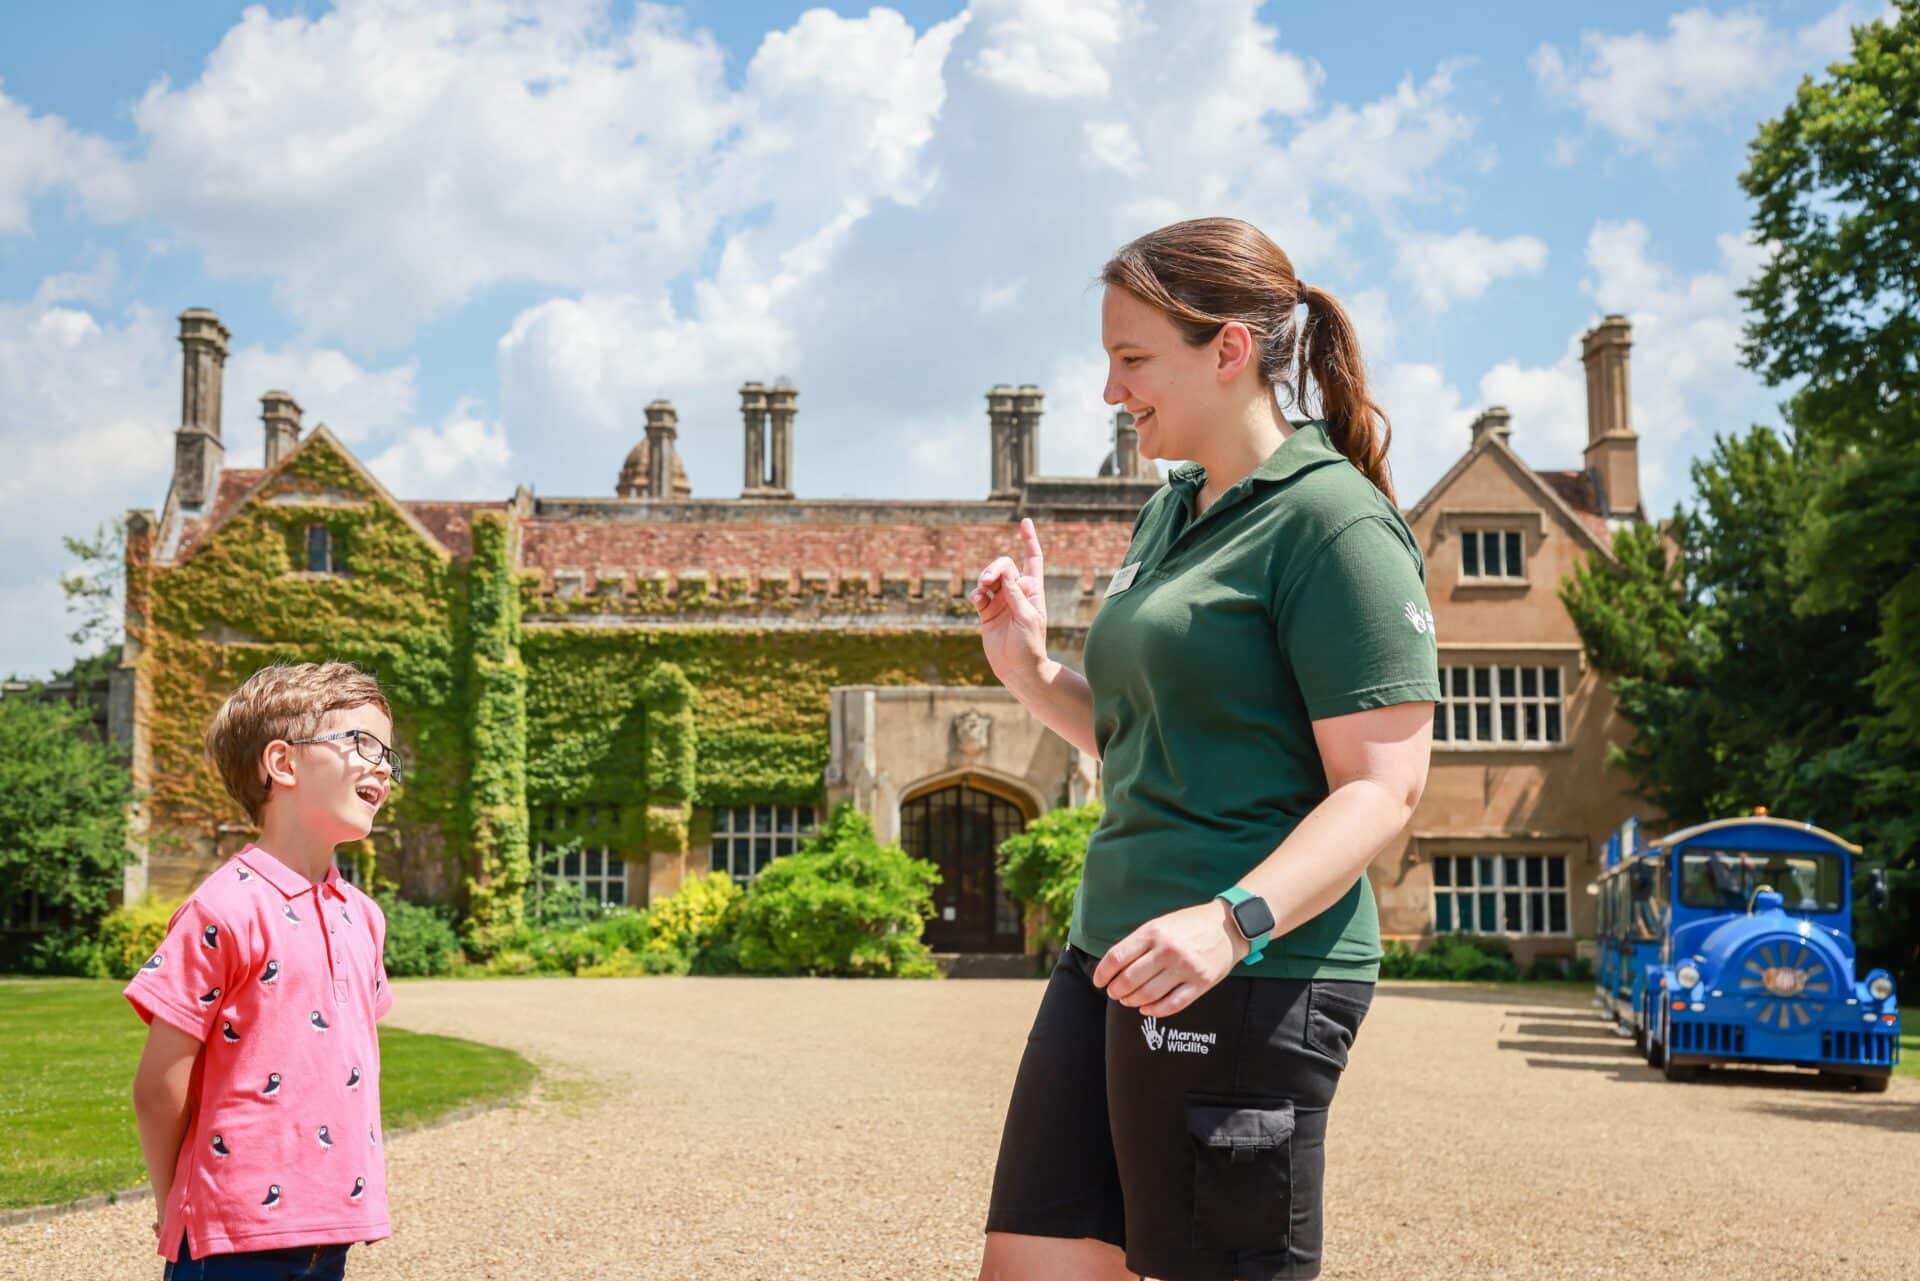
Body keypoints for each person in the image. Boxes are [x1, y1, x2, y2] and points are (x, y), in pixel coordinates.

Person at [971, 218, 1439, 1281]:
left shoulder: (1335, 526)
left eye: (1133, 359)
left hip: (1248, 977)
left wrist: (1233, 924)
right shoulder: (1175, 511)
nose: (1108, 390)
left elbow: (1384, 787)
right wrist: (1032, 672)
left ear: (1228, 350)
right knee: (1030, 1266)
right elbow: (1156, 742)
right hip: (1112, 958)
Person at [126, 661, 400, 1280]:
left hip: (335, 1223)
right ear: (283, 764)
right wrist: (181, 1198)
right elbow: (157, 1086)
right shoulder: (223, 909)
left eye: (389, 753)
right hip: (230, 1236)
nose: (383, 765)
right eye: (361, 743)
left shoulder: (365, 917)